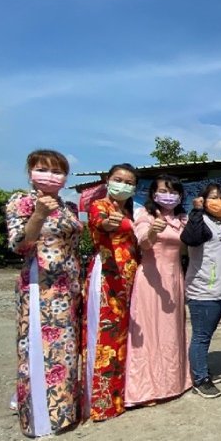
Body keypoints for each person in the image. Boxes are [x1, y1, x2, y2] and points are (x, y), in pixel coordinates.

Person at [5, 150, 82, 437]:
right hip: (42, 286)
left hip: (70, 286)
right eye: (43, 169)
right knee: (40, 347)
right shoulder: (21, 201)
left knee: (66, 351)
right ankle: (41, 416)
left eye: (57, 171)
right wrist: (38, 214)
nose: (51, 175)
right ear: (30, 172)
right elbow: (20, 245)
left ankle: (66, 409)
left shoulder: (69, 207)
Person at [125, 175, 191, 407]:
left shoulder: (182, 218)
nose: (168, 195)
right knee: (151, 332)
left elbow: (187, 247)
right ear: (153, 194)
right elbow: (143, 242)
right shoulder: (146, 215)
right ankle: (146, 389)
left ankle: (174, 382)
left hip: (175, 278)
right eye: (163, 190)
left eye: (173, 191)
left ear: (181, 196)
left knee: (171, 331)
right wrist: (153, 230)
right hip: (152, 279)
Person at [82, 163, 139, 422]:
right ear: (108, 180)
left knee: (124, 341)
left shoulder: (130, 209)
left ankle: (122, 396)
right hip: (107, 276)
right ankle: (101, 403)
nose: (123, 185)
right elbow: (100, 224)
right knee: (105, 338)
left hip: (129, 280)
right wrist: (109, 223)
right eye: (119, 179)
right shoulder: (100, 206)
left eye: (129, 182)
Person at [181, 183, 221, 398]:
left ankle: (202, 369)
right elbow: (191, 239)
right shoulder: (199, 221)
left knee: (207, 335)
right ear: (203, 200)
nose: (219, 202)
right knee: (201, 337)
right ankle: (200, 379)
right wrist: (195, 211)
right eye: (213, 197)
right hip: (204, 290)